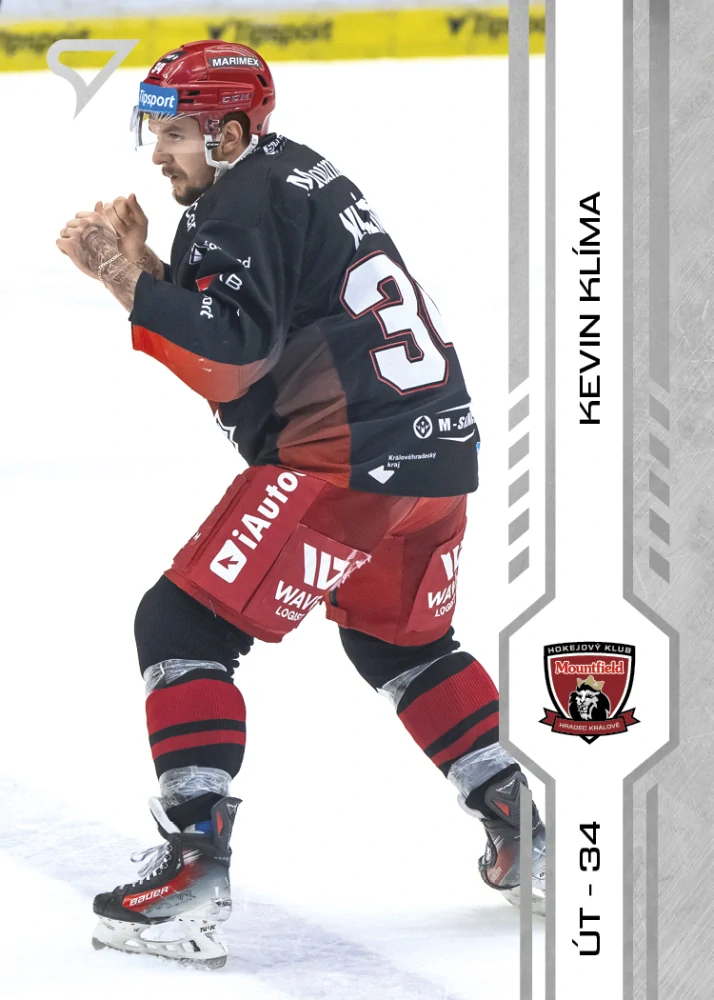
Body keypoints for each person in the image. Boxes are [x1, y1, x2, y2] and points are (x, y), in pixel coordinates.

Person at [57, 40, 545, 967]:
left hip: (346, 463)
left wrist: (123, 277)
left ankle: (191, 871)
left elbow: (231, 359)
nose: (159, 153)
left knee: (181, 625)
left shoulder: (236, 204)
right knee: (400, 643)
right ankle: (523, 821)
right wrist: (149, 267)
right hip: (435, 456)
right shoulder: (289, 174)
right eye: (155, 130)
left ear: (233, 132)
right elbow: (262, 326)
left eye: (177, 132)